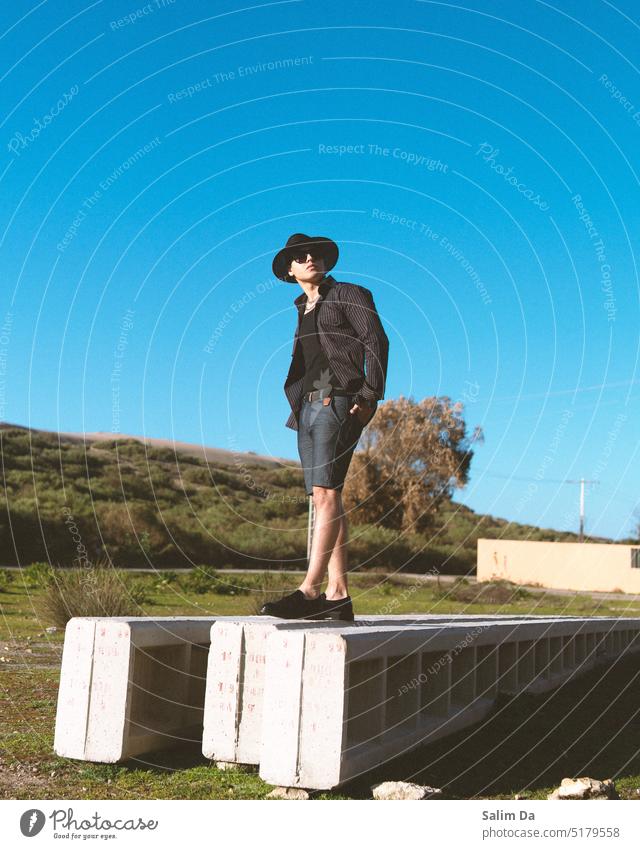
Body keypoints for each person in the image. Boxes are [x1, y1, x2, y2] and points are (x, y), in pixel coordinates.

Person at [260, 233, 389, 621]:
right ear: (290, 269)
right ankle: (338, 595)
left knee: (326, 493)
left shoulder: (349, 293)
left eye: (315, 253)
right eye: (300, 256)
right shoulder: (301, 308)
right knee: (324, 497)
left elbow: (376, 340)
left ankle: (309, 590)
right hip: (308, 408)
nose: (310, 258)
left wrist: (369, 396)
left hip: (341, 403)